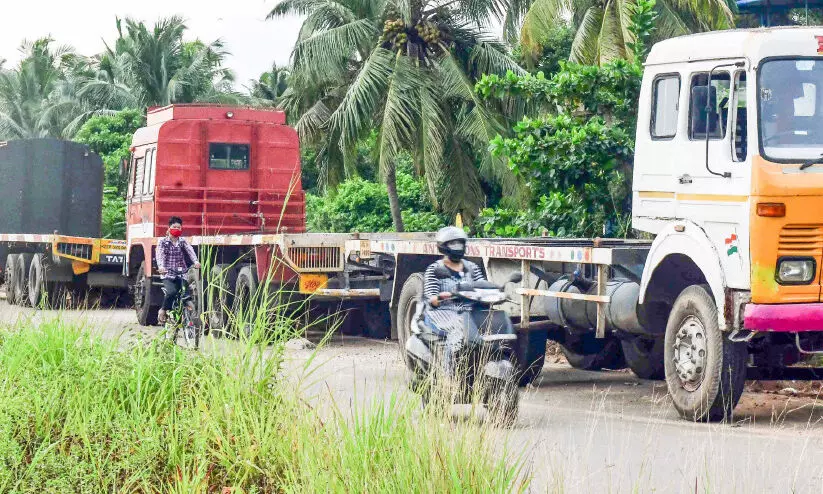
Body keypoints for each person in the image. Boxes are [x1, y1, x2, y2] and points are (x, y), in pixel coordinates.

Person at [422, 226, 485, 375]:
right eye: (453, 244)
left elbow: (481, 285)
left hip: (470, 311)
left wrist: (493, 292)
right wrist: (441, 297)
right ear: (443, 247)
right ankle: (449, 375)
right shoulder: (434, 269)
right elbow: (431, 298)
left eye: (459, 244)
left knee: (496, 325)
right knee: (458, 329)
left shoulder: (472, 267)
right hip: (443, 312)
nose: (457, 248)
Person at [156, 216, 201, 325]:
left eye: (179, 227)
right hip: (168, 273)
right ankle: (162, 310)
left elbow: (190, 251)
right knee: (172, 292)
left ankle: (186, 314)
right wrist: (161, 266)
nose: (176, 229)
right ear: (169, 228)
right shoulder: (163, 241)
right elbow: (160, 255)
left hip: (182, 273)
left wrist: (195, 261)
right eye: (174, 227)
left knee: (186, 294)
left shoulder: (182, 241)